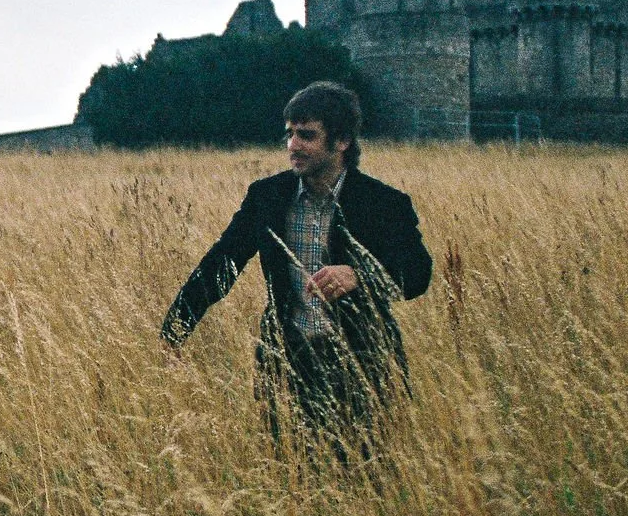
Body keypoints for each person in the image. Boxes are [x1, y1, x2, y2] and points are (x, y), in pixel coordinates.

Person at [161, 81, 431, 464]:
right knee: (291, 475)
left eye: (306, 135)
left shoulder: (383, 203)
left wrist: (360, 274)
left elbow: (418, 273)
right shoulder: (268, 196)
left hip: (363, 363)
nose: (293, 145)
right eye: (289, 133)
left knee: (365, 478)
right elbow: (223, 262)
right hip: (287, 359)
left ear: (341, 142)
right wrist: (176, 330)